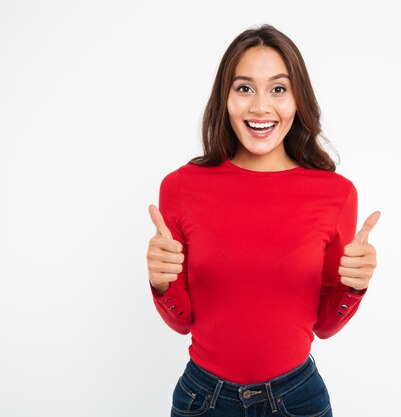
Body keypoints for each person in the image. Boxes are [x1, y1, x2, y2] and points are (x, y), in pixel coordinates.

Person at [147, 24, 380, 417]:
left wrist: (353, 289)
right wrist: (161, 281)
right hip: (203, 400)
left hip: (298, 400)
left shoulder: (336, 194)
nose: (260, 107)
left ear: (297, 99)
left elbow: (324, 326)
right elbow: (183, 321)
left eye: (277, 88)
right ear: (225, 98)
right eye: (244, 88)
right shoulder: (180, 188)